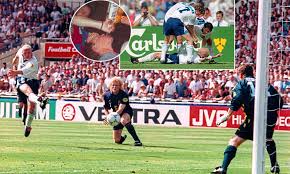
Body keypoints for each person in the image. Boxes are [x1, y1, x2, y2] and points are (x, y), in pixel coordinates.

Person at [211, 65, 282, 174]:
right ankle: (274, 166)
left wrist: (228, 115)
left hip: (255, 116)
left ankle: (223, 168)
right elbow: (279, 101)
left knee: (234, 141)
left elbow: (237, 98)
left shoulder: (242, 83)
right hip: (271, 115)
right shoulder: (264, 83)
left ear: (241, 74)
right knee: (267, 139)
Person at [8, 44, 48, 137]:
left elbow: (23, 70)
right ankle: (39, 100)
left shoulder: (33, 62)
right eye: (25, 53)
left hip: (33, 81)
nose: (27, 54)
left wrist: (14, 72)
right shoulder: (20, 52)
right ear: (22, 52)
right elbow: (16, 57)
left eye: (29, 52)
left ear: (31, 52)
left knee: (31, 107)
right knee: (27, 92)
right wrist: (14, 61)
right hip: (22, 80)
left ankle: (28, 126)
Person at [103, 77, 142, 146]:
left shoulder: (124, 94)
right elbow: (106, 108)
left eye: (116, 85)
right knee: (117, 140)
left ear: (120, 86)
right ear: (110, 86)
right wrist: (107, 116)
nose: (114, 87)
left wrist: (112, 117)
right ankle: (122, 138)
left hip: (125, 112)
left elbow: (121, 108)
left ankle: (137, 141)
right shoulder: (106, 95)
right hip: (115, 115)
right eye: (113, 85)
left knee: (123, 120)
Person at [131, 46, 222, 64]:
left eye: (202, 50)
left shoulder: (197, 59)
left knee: (156, 55)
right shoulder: (194, 53)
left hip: (176, 60)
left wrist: (214, 57)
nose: (200, 50)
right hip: (176, 56)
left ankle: (137, 60)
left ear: (202, 55)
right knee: (158, 54)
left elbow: (204, 59)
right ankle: (139, 60)